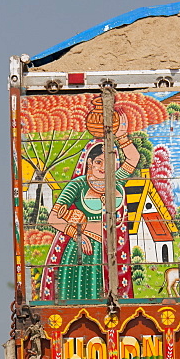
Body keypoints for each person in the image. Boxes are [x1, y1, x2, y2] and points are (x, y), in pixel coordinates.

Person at [39, 113, 140, 301]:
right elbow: (53, 218)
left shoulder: (115, 181)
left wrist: (122, 137)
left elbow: (133, 159)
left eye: (108, 162)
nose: (103, 167)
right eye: (99, 162)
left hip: (110, 255)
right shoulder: (78, 185)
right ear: (89, 163)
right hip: (83, 252)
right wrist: (78, 234)